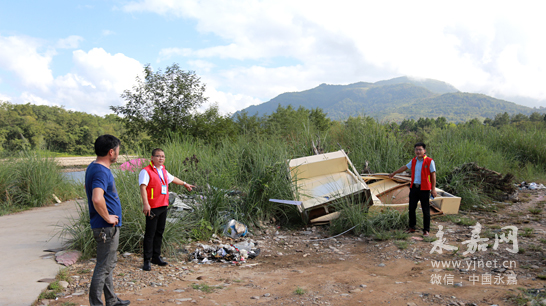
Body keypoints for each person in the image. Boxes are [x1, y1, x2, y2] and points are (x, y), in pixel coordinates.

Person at [85, 135, 130, 306]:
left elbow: (88, 189)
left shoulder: (93, 167)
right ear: (111, 152)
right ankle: (97, 303)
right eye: (118, 150)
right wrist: (107, 217)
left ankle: (111, 300)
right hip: (106, 227)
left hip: (105, 226)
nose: (119, 153)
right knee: (103, 267)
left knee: (107, 265)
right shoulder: (101, 171)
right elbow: (97, 198)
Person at [139, 148, 195, 271]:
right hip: (152, 206)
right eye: (158, 156)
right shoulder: (146, 171)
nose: (161, 158)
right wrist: (145, 204)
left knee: (159, 232)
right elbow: (143, 188)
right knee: (150, 234)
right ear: (152, 158)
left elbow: (173, 178)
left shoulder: (163, 170)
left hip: (163, 205)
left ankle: (156, 257)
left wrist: (184, 183)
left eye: (163, 156)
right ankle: (147, 260)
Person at [389, 142, 437, 237]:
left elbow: (433, 175)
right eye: (416, 149)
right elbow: (405, 167)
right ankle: (412, 227)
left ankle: (426, 230)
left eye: (420, 149)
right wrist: (394, 173)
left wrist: (433, 189)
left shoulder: (429, 161)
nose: (418, 151)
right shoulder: (414, 161)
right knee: (411, 209)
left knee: (425, 210)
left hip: (424, 189)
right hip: (414, 188)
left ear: (424, 150)